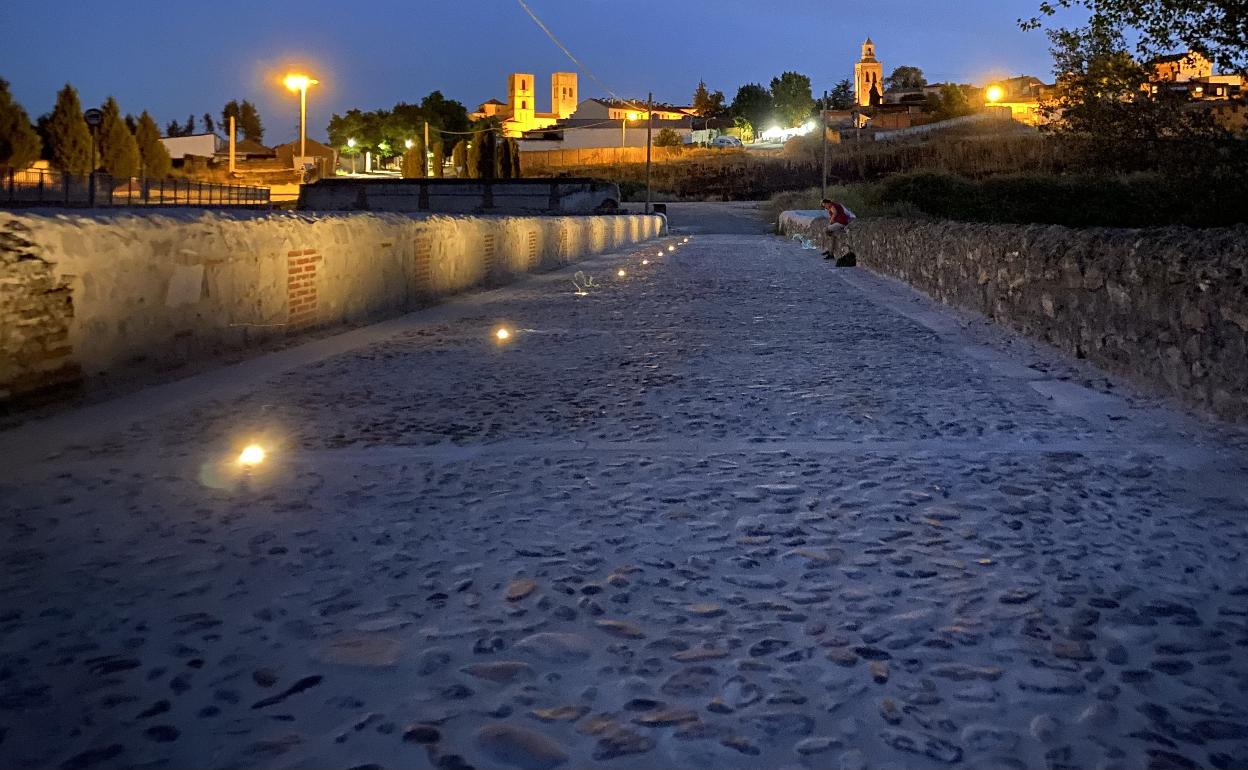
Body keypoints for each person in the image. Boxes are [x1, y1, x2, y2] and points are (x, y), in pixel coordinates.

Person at [820, 198, 857, 266]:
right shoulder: (835, 205)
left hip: (841, 223)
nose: (825, 207)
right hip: (841, 222)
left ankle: (829, 249)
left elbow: (835, 212)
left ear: (827, 203)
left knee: (825, 230)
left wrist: (831, 222)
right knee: (832, 235)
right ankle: (830, 252)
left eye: (824, 205)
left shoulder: (832, 206)